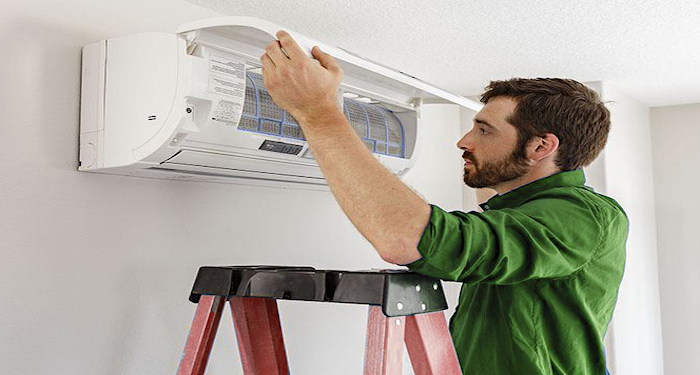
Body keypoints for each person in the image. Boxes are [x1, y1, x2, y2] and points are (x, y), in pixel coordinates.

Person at [261, 30, 627, 375]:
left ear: (540, 147)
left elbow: (407, 239)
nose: (464, 140)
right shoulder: (518, 212)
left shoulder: (582, 214)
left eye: (484, 129)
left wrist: (319, 113)